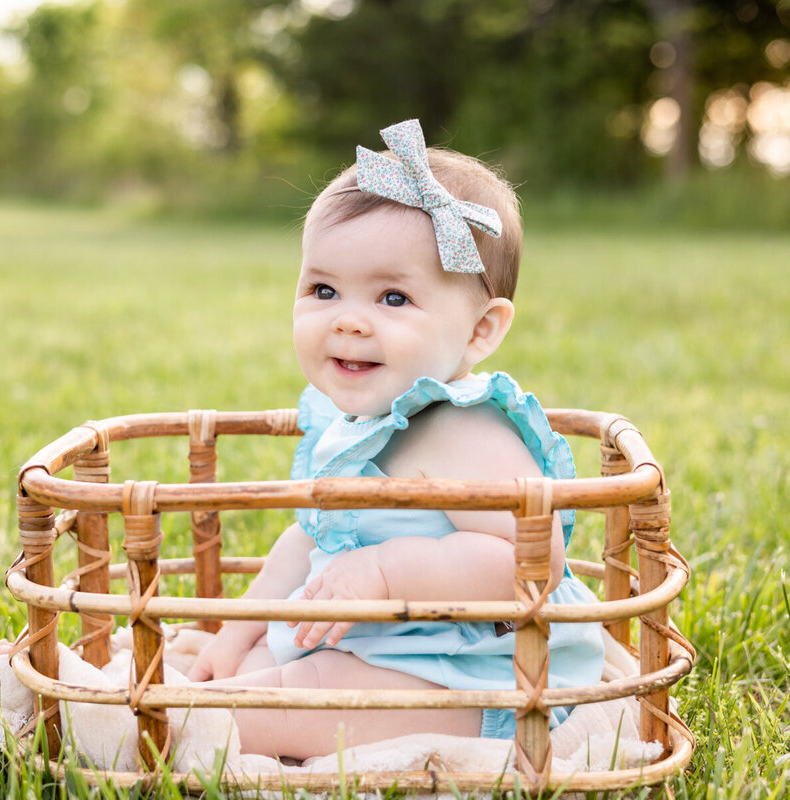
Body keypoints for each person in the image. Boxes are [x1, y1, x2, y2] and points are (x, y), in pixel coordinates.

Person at [179, 119, 606, 762]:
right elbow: (307, 539)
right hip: (385, 649)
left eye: (393, 297)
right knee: (266, 670)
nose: (348, 319)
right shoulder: (355, 423)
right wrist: (236, 632)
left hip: (474, 678)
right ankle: (217, 691)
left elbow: (531, 561)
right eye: (324, 289)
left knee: (267, 707)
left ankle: (168, 729)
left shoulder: (458, 427)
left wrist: (386, 570)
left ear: (480, 331)